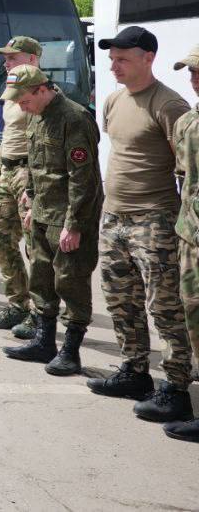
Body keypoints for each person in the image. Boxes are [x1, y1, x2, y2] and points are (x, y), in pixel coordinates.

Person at [86, 26, 194, 424]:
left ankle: (176, 388)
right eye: (112, 58)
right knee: (120, 300)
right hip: (114, 217)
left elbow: (187, 170)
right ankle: (134, 372)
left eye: (122, 58)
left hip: (155, 220)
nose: (113, 65)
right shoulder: (114, 100)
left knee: (164, 308)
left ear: (148, 58)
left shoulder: (169, 105)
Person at [0, 65, 101, 376]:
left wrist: (75, 224)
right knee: (41, 279)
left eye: (24, 99)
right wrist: (30, 201)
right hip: (43, 212)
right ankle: (44, 342)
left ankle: (71, 351)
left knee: (70, 281)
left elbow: (84, 180)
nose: (20, 106)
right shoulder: (36, 116)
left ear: (42, 89)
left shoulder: (74, 118)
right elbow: (34, 165)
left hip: (68, 217)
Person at [0, 37, 44, 335]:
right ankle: (17, 304)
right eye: (5, 58)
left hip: (29, 172)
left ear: (33, 60)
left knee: (36, 246)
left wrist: (36, 187)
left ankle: (40, 314)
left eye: (13, 57)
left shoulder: (41, 94)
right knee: (1, 238)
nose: (6, 62)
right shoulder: (11, 94)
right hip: (8, 170)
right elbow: (6, 135)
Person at [165, 45, 199, 442]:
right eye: (189, 72)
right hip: (189, 235)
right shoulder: (188, 121)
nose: (193, 78)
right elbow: (181, 175)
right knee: (192, 314)